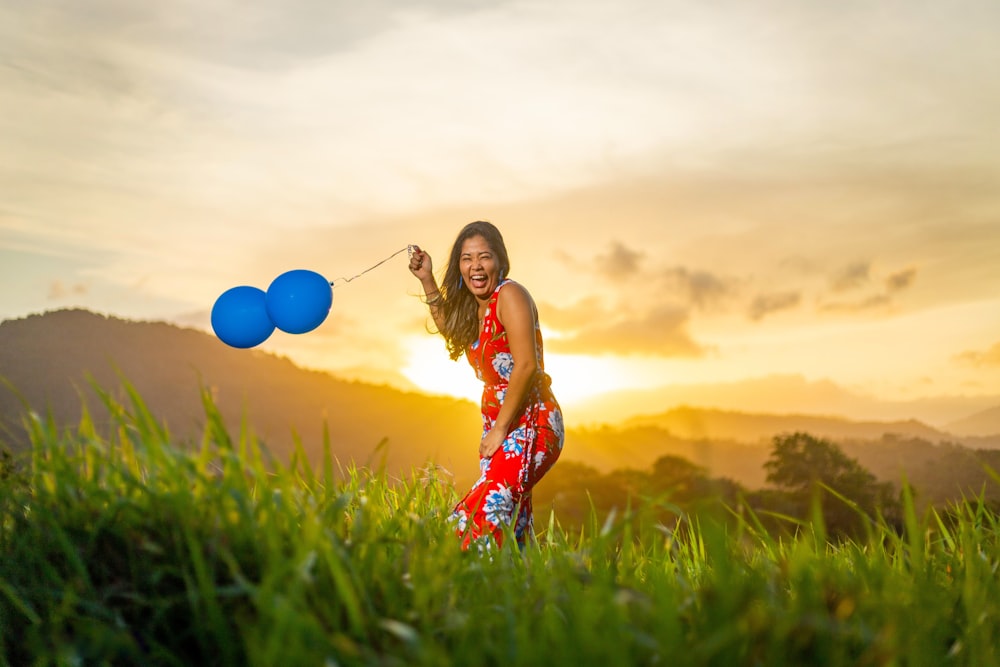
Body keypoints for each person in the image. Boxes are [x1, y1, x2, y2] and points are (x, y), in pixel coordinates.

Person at [408, 221, 564, 550]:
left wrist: (501, 429)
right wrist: (427, 279)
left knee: (485, 507)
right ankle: (516, 591)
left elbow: (525, 365)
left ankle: (440, 559)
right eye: (467, 258)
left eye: (484, 257)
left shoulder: (511, 295)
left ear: (500, 261)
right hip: (497, 426)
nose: (475, 266)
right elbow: (449, 327)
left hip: (531, 423)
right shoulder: (473, 307)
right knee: (512, 525)